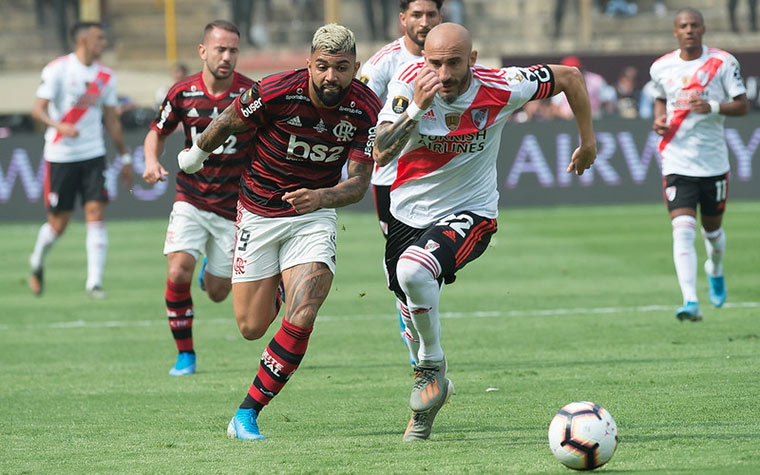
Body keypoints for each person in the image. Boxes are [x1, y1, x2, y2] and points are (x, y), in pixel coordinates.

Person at [373, 22, 596, 441]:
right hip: (407, 214)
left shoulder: (503, 86)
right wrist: (416, 109)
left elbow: (570, 78)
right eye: (434, 63)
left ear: (472, 60)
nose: (442, 73)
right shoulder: (408, 85)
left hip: (471, 212)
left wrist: (588, 142)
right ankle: (432, 389)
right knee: (407, 305)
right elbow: (381, 151)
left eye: (453, 63)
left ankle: (432, 367)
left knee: (414, 271)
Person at [176, 23, 381, 440]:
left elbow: (359, 183)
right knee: (251, 328)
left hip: (313, 216)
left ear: (355, 68)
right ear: (308, 63)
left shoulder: (365, 109)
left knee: (304, 312)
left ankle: (247, 413)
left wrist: (322, 198)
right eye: (322, 66)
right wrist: (196, 154)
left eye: (341, 68)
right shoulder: (275, 91)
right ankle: (279, 285)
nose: (330, 77)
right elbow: (229, 120)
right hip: (258, 212)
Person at [142, 21, 260, 376]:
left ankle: (212, 271)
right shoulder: (182, 92)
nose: (227, 57)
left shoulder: (251, 94)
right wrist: (150, 162)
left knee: (219, 293)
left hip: (232, 207)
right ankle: (186, 355)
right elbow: (156, 132)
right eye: (220, 49)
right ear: (203, 51)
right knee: (178, 271)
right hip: (190, 198)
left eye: (233, 50)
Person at [649, 8, 749, 321]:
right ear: (675, 32)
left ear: (703, 29)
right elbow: (660, 97)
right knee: (682, 229)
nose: (689, 30)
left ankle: (715, 269)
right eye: (683, 26)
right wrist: (659, 120)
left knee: (712, 232)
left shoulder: (723, 62)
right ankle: (690, 300)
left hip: (713, 162)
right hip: (676, 161)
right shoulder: (661, 67)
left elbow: (743, 105)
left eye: (694, 25)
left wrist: (713, 106)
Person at [359, 0, 443, 364]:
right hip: (391, 177)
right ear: (402, 19)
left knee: (430, 263)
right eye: (417, 15)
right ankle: (413, 326)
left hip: (438, 173)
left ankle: (419, 327)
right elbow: (357, 107)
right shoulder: (382, 64)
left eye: (431, 15)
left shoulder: (448, 56)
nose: (424, 23)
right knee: (404, 264)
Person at [28, 21, 132, 299]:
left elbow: (112, 120)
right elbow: (37, 110)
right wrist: (58, 125)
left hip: (93, 154)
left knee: (96, 213)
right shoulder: (58, 69)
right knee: (58, 224)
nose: (104, 43)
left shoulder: (106, 76)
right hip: (61, 155)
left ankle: (94, 283)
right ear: (83, 40)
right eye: (99, 38)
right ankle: (36, 261)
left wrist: (125, 157)